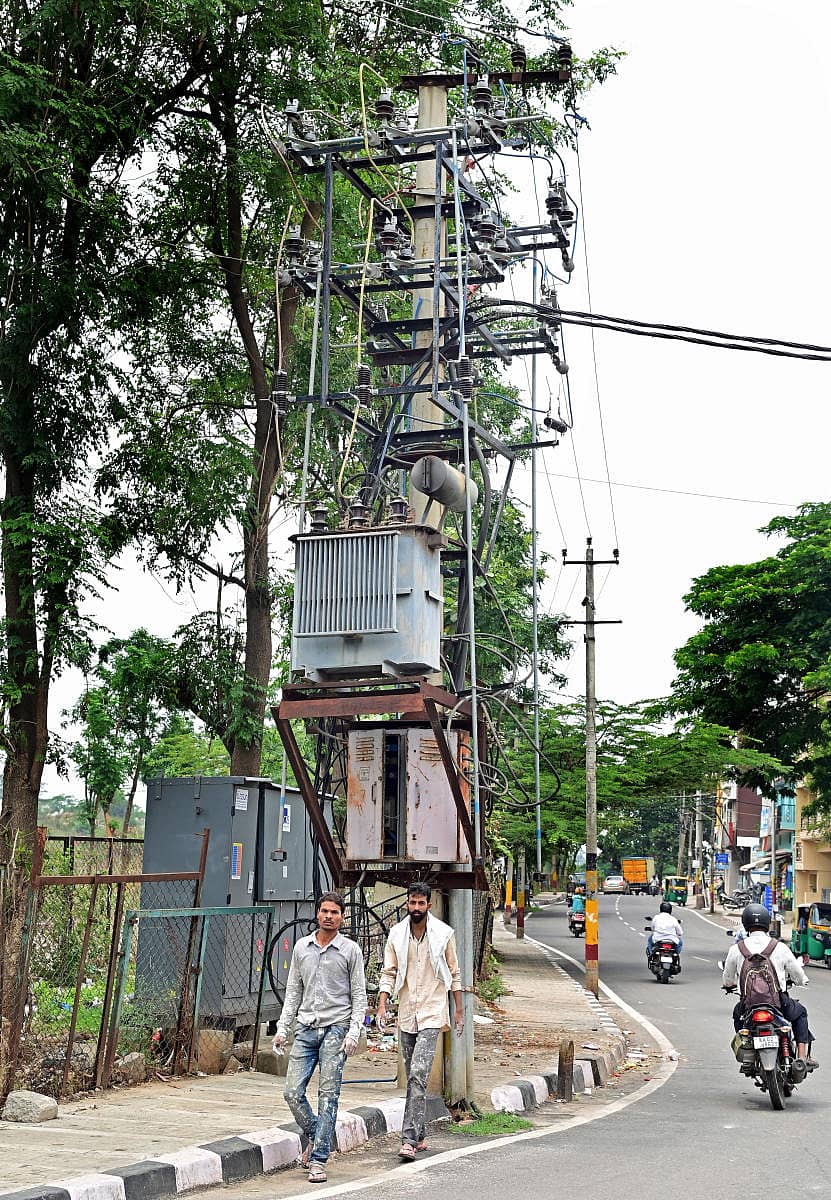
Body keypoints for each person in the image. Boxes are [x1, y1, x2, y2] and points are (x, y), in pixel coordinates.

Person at [272, 892, 367, 1184]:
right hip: (305, 1029)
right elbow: (293, 992)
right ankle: (317, 1135)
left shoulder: (350, 951)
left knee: (328, 1097)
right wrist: (282, 1029)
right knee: (291, 1092)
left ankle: (318, 1160)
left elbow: (359, 995)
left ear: (342, 917)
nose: (328, 916)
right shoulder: (302, 948)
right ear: (317, 914)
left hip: (336, 1029)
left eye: (334, 912)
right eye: (324, 911)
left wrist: (354, 1031)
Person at [377, 883, 463, 1161]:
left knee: (417, 1073)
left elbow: (455, 973)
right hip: (406, 1014)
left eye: (421, 903)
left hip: (432, 1012)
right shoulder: (396, 935)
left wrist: (459, 1011)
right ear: (407, 904)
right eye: (412, 903)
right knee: (415, 1076)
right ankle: (422, 1133)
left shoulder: (443, 934)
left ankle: (409, 1139)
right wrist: (381, 1005)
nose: (416, 908)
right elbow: (388, 972)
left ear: (428, 905)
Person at [722, 902, 818, 1070]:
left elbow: (728, 978)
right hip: (778, 1003)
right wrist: (801, 980)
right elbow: (797, 972)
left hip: (748, 1005)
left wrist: (729, 985)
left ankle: (747, 1052)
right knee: (801, 1013)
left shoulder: (736, 949)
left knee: (738, 1017)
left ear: (745, 923)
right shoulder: (779, 947)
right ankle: (802, 1057)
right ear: (767, 923)